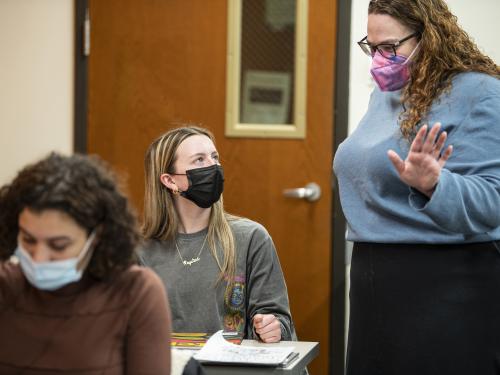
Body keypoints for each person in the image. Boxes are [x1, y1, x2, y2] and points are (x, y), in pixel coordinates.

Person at [333, 0, 500, 374]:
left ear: (429, 36)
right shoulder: (388, 94)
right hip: (373, 276)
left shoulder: (481, 92)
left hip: (444, 285)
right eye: (371, 47)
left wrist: (435, 186)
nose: (379, 59)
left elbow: (493, 202)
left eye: (390, 48)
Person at [0, 153, 172, 374]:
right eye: (28, 240)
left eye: (59, 245)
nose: (39, 257)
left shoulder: (135, 293)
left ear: (96, 237)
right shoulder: (5, 287)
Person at [140, 125, 296, 343]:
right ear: (170, 180)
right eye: (199, 160)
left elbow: (281, 323)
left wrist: (273, 328)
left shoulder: (251, 238)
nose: (213, 166)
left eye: (215, 157)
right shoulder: (139, 249)